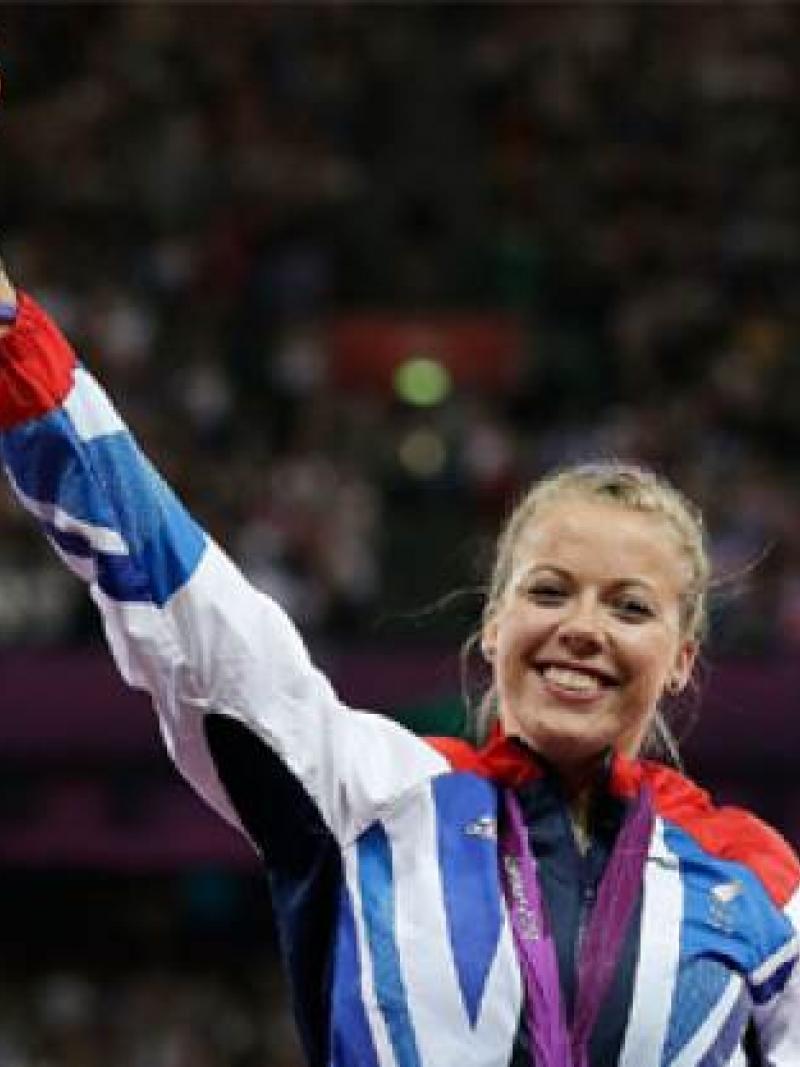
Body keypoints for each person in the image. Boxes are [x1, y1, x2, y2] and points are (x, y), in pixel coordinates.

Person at [0, 258, 798, 1067]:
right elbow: (190, 611)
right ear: (494, 625)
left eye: (629, 607)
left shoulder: (757, 877)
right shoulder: (375, 793)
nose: (584, 628)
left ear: (681, 659)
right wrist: (12, 342)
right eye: (551, 591)